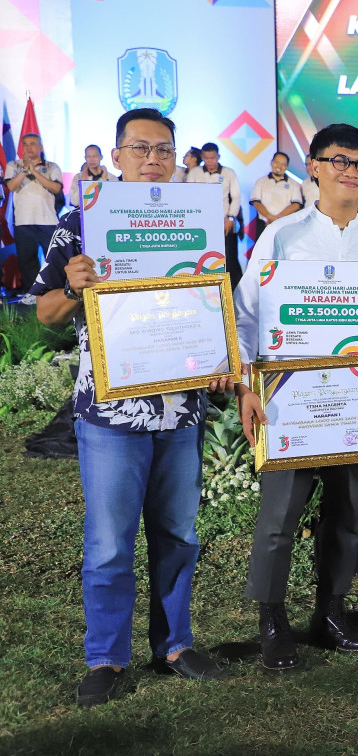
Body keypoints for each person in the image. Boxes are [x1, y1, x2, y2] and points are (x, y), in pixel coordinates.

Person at [33, 108, 228, 706]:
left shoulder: (196, 218)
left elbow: (215, 301)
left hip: (180, 408)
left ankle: (174, 644)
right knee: (111, 543)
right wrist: (73, 286)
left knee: (178, 533)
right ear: (115, 156)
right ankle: (107, 658)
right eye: (140, 148)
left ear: (177, 157)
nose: (152, 159)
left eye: (164, 150)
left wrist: (223, 363)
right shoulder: (82, 220)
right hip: (112, 413)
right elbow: (43, 314)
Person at [234, 123, 358, 671]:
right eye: (340, 161)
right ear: (313, 167)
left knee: (348, 513)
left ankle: (331, 612)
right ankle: (272, 619)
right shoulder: (283, 236)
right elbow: (245, 314)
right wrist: (245, 385)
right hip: (292, 398)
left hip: (357, 400)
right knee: (280, 515)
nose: (352, 172)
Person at [5, 132, 64, 300]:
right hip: (24, 222)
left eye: (32, 143)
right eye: (25, 144)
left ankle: (56, 292)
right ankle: (32, 294)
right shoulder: (13, 165)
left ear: (41, 147)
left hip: (48, 221)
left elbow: (56, 188)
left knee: (53, 259)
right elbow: (11, 186)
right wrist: (25, 169)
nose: (29, 147)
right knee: (27, 260)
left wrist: (35, 171)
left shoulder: (52, 167)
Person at [186, 142, 242, 288]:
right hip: (201, 223)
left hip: (224, 223)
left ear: (218, 156)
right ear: (202, 157)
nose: (210, 161)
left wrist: (230, 218)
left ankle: (232, 294)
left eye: (213, 157)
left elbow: (236, 197)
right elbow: (188, 197)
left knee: (229, 260)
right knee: (201, 260)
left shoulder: (229, 173)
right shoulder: (195, 173)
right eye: (207, 158)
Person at [248, 151, 303, 243]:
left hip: (284, 225)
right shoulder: (261, 182)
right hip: (264, 224)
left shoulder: (292, 184)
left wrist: (277, 219)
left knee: (283, 254)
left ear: (287, 167)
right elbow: (256, 202)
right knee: (263, 254)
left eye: (282, 164)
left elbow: (296, 204)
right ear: (271, 162)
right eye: (277, 162)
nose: (279, 166)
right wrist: (269, 217)